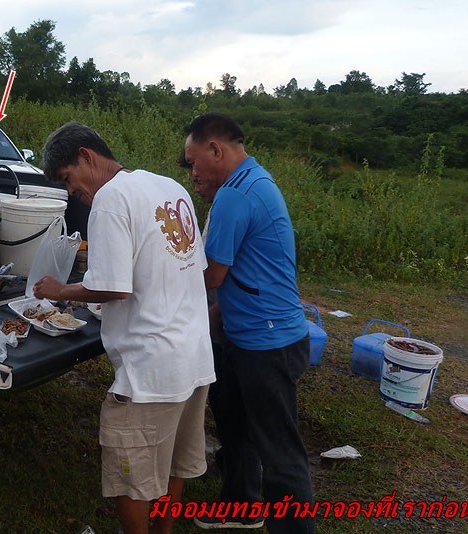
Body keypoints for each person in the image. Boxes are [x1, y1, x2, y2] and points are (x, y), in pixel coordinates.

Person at [33, 122, 216, 534]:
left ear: (86, 156)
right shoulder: (169, 187)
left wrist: (62, 288)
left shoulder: (111, 199)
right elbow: (184, 268)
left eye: (67, 178)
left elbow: (112, 286)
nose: (71, 192)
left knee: (130, 475)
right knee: (172, 462)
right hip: (194, 355)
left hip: (151, 369)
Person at [182, 113, 314, 533]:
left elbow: (211, 275)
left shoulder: (235, 195)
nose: (192, 172)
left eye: (193, 160)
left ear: (215, 149)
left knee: (281, 454)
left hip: (268, 342)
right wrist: (212, 320)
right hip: (255, 334)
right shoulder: (256, 180)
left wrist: (152, 274)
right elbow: (245, 274)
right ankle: (243, 506)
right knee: (238, 426)